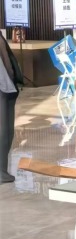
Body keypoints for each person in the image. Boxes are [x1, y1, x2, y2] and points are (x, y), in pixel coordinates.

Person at [0, 32, 23, 183]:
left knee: (8, 132)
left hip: (7, 87)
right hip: (3, 88)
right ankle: (1, 171)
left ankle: (3, 170)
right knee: (3, 132)